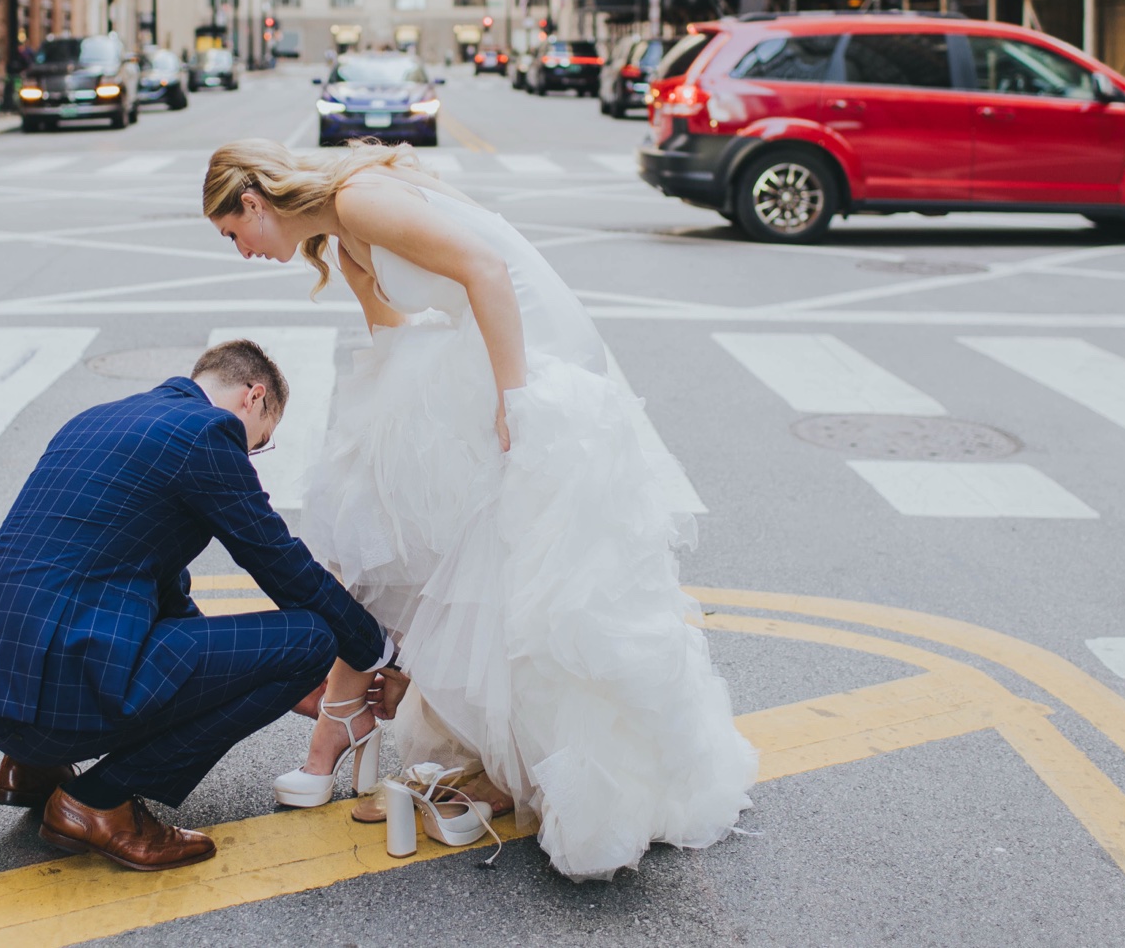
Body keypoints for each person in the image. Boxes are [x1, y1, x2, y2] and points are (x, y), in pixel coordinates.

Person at [202, 141, 756, 881]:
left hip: (529, 348)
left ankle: (377, 723)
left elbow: (488, 271)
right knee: (420, 526)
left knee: (537, 563)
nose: (241, 252)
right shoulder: (342, 229)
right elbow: (390, 339)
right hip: (477, 348)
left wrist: (516, 402)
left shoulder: (362, 197)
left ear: (255, 203)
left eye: (232, 233)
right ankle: (437, 732)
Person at [0, 340, 394, 873]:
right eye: (260, 442)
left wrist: (247, 675)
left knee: (102, 603)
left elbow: (160, 587)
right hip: (57, 693)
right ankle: (98, 802)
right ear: (253, 397)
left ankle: (33, 768)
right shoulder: (208, 433)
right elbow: (280, 562)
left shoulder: (97, 419)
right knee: (310, 639)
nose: (250, 456)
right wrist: (378, 652)